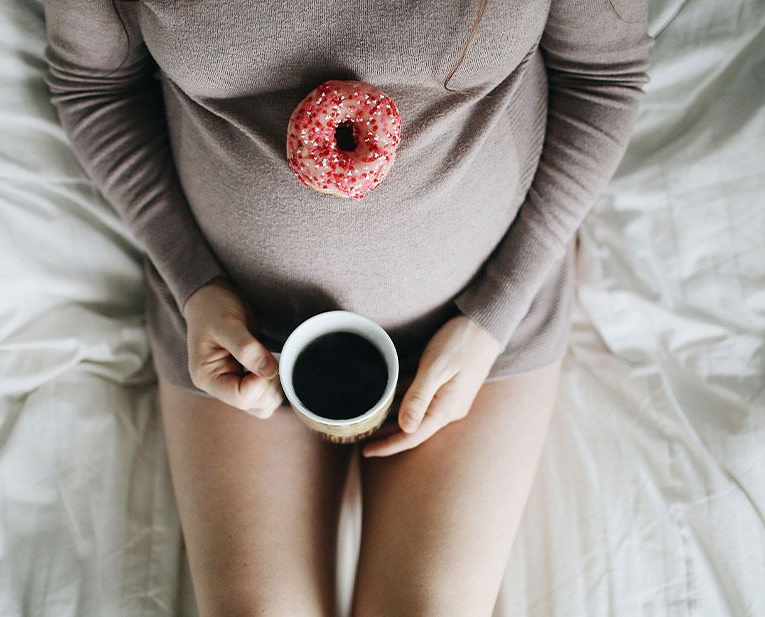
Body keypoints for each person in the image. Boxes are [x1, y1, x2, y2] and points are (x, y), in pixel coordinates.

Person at [43, 0, 650, 614]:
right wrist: (193, 283)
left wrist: (494, 315)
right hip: (236, 335)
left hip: (483, 324)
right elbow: (92, 84)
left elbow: (603, 75)